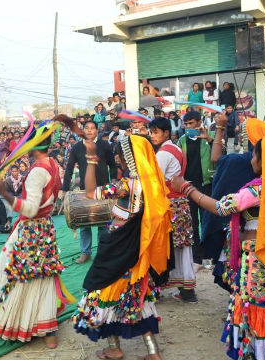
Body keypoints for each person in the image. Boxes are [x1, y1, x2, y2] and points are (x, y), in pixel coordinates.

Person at [170, 136, 265, 360]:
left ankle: (264, 354)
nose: (251, 160)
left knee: (258, 306)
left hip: (258, 258)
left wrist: (186, 188)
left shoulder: (257, 191)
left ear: (264, 160)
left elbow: (221, 207)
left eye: (255, 155)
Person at [67, 124, 171, 360]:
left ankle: (114, 347)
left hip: (116, 251)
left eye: (120, 154)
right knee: (137, 298)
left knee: (102, 291)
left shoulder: (127, 186)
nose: (117, 157)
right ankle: (152, 352)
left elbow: (91, 192)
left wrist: (92, 162)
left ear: (130, 159)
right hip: (136, 252)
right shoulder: (155, 186)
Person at [0, 125, 70, 348]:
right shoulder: (52, 164)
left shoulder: (36, 172)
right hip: (45, 228)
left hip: (31, 229)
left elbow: (30, 209)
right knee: (43, 275)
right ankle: (47, 329)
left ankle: (23, 324)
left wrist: (3, 193)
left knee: (14, 272)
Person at [205, 117, 265, 291]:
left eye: (244, 133)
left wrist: (220, 127)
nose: (241, 137)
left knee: (242, 279)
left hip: (243, 233)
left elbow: (215, 157)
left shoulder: (239, 162)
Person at [149, 117, 197, 302]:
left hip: (169, 205)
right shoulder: (176, 148)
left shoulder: (162, 154)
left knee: (163, 246)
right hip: (181, 204)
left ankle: (157, 288)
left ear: (166, 132)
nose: (152, 135)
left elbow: (155, 181)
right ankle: (187, 289)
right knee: (182, 246)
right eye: (151, 132)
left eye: (156, 132)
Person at [61, 120, 117, 264]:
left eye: (93, 128)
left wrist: (115, 181)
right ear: (83, 130)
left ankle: (102, 252)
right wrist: (65, 189)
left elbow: (112, 165)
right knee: (84, 223)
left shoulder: (105, 145)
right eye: (87, 128)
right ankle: (85, 252)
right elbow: (69, 169)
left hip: (102, 189)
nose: (90, 131)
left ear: (97, 130)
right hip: (84, 191)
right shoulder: (77, 147)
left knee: (104, 223)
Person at [178, 110, 214, 266]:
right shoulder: (182, 140)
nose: (188, 127)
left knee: (207, 220)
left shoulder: (210, 136)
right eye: (186, 124)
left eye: (191, 123)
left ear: (199, 122)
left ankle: (209, 252)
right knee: (192, 222)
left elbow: (221, 156)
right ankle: (197, 255)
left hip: (205, 184)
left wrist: (210, 140)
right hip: (188, 186)